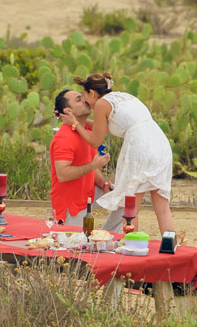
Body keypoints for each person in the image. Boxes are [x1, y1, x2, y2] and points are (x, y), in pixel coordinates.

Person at [56, 72, 176, 234]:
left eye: (85, 97)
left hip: (140, 147)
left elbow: (95, 141)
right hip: (159, 144)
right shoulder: (122, 97)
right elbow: (102, 127)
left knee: (131, 207)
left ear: (92, 93)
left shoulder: (101, 105)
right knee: (162, 208)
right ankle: (172, 247)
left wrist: (76, 123)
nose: (87, 103)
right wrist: (75, 122)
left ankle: (132, 246)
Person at [49, 89, 122, 229]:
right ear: (68, 111)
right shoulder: (64, 138)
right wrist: (93, 165)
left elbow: (106, 127)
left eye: (83, 97)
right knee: (75, 246)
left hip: (89, 193)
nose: (85, 100)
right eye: (78, 100)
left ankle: (107, 235)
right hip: (71, 205)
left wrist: (103, 184)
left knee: (124, 200)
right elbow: (63, 175)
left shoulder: (86, 132)